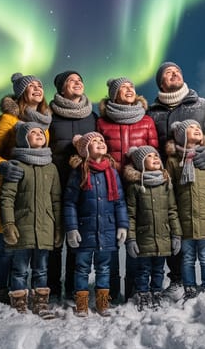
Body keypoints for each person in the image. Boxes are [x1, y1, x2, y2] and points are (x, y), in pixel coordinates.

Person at [147, 61, 205, 294]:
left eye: (178, 71)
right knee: (174, 231)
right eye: (168, 72)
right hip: (168, 179)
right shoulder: (153, 113)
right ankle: (178, 279)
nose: (174, 74)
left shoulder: (202, 105)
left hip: (201, 176)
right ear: (160, 82)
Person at [0, 72, 51, 304]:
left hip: (32, 195)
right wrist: (2, 167)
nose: (37, 88)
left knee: (28, 247)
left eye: (40, 85)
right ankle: (0, 292)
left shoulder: (44, 123)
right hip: (8, 189)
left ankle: (20, 289)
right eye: (31, 86)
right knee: (7, 247)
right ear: (22, 93)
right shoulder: (7, 120)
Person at [96, 76, 159, 302]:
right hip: (110, 186)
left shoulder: (147, 121)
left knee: (136, 237)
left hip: (137, 186)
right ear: (114, 94)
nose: (129, 89)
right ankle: (111, 291)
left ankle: (134, 289)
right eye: (123, 87)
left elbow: (154, 151)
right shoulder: (103, 122)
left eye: (131, 86)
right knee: (111, 240)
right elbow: (99, 151)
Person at [63, 131, 128, 317]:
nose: (100, 142)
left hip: (107, 229)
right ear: (85, 149)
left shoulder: (112, 172)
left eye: (102, 140)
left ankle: (102, 303)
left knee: (104, 267)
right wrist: (72, 228)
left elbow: (120, 202)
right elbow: (70, 202)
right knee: (82, 267)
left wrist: (122, 225)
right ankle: (81, 304)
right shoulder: (79, 171)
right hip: (85, 229)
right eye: (94, 141)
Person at [0, 121, 61, 319]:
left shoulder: (51, 167)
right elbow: (7, 197)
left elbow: (56, 199)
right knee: (19, 269)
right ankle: (19, 302)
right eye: (32, 133)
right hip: (23, 227)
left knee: (41, 268)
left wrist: (58, 227)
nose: (38, 135)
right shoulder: (17, 166)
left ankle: (40, 303)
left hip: (45, 227)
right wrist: (9, 224)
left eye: (40, 132)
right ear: (23, 140)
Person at [46, 70, 97, 302]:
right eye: (71, 80)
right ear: (61, 88)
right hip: (56, 182)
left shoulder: (92, 116)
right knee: (55, 240)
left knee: (78, 239)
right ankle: (52, 288)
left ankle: (75, 289)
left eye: (80, 79)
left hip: (82, 184)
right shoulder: (49, 115)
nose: (77, 83)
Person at [164, 120, 205, 301]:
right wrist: (173, 219)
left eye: (198, 127)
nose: (197, 129)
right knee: (187, 257)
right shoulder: (174, 161)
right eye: (191, 128)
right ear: (181, 136)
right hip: (185, 221)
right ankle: (189, 287)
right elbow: (170, 191)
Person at [123, 145, 181, 311]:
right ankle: (143, 293)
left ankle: (156, 292)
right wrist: (131, 238)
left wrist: (176, 235)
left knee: (158, 269)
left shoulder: (165, 183)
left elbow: (172, 211)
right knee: (143, 269)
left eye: (156, 156)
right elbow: (131, 215)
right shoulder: (135, 186)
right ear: (141, 163)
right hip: (144, 237)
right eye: (149, 156)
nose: (155, 158)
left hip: (163, 237)